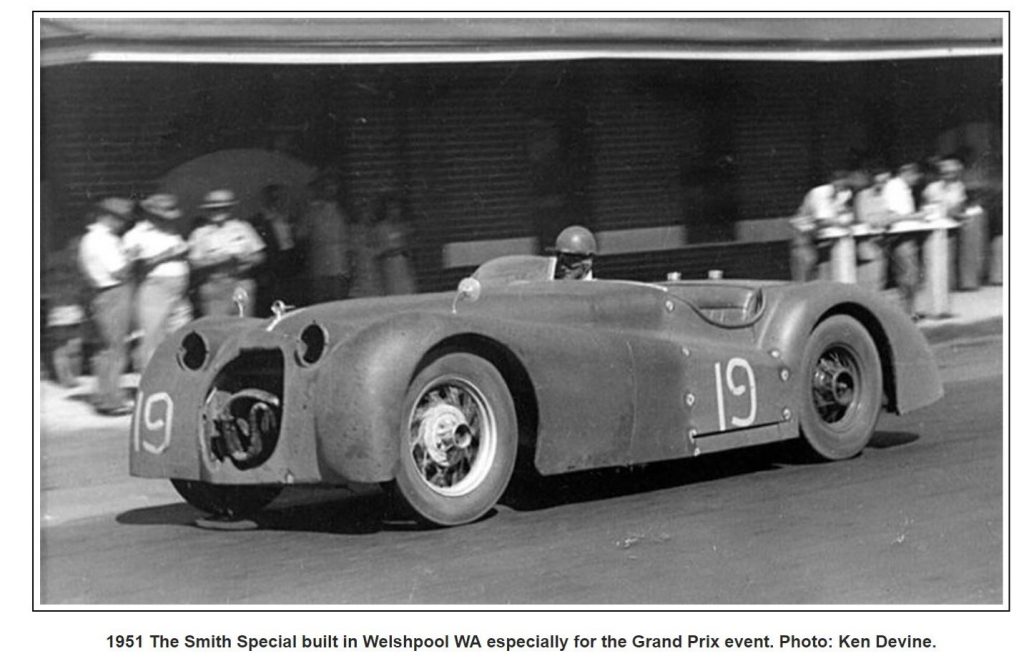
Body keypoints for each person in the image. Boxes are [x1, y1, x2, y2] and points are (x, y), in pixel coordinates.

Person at [77, 197, 136, 414]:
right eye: (121, 220)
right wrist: (134, 257)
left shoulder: (89, 238)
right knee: (116, 350)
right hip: (113, 293)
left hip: (100, 294)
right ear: (109, 217)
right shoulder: (103, 240)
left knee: (103, 351)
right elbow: (120, 270)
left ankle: (103, 396)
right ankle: (112, 400)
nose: (122, 224)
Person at [123, 193, 192, 369]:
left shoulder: (171, 230)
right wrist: (168, 255)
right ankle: (148, 384)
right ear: (151, 214)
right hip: (155, 288)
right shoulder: (136, 235)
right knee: (152, 337)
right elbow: (132, 267)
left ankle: (173, 381)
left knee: (179, 334)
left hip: (179, 290)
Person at [188, 189, 265, 316]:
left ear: (230, 209)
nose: (218, 212)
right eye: (213, 209)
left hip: (241, 283)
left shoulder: (244, 228)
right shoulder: (199, 233)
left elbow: (260, 256)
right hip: (214, 286)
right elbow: (193, 264)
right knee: (218, 329)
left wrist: (244, 259)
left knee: (244, 325)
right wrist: (217, 261)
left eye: (222, 208)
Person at [923, 155, 986, 291]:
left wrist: (956, 211)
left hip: (954, 223)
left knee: (958, 251)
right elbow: (930, 207)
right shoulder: (932, 188)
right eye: (945, 170)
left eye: (953, 170)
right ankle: (944, 286)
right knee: (942, 256)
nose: (949, 173)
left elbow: (959, 205)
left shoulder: (959, 186)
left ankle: (963, 283)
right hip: (936, 225)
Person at [789, 171, 855, 282]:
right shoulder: (819, 193)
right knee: (806, 267)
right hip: (805, 235)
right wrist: (841, 223)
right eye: (838, 184)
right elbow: (823, 220)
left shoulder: (845, 193)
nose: (841, 187)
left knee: (826, 271)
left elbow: (846, 215)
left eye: (844, 184)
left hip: (825, 237)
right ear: (832, 182)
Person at [299, 169, 352, 303]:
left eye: (333, 185)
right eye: (327, 185)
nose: (330, 189)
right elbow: (301, 234)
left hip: (340, 263)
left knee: (339, 299)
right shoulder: (312, 211)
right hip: (320, 264)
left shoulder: (344, 209)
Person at [884, 162, 927, 318]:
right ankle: (906, 313)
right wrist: (916, 216)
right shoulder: (893, 187)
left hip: (909, 235)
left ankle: (910, 311)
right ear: (908, 173)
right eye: (916, 175)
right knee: (908, 275)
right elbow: (893, 217)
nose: (917, 179)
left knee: (911, 274)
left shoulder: (905, 188)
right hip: (900, 237)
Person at [249, 184, 300, 314]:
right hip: (271, 268)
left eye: (279, 198)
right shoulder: (258, 221)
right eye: (273, 198)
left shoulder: (289, 218)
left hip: (289, 264)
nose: (277, 202)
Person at [852, 163, 893, 292]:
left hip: (880, 243)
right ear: (873, 180)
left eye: (885, 182)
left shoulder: (883, 196)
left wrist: (883, 219)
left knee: (879, 280)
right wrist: (881, 219)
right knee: (866, 281)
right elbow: (863, 218)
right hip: (866, 244)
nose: (881, 185)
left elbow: (889, 215)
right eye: (879, 181)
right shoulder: (863, 195)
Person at [373, 193, 418, 295]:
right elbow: (379, 251)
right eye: (391, 209)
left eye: (396, 208)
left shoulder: (404, 226)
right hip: (389, 267)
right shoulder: (380, 228)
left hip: (404, 266)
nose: (394, 212)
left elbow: (410, 247)